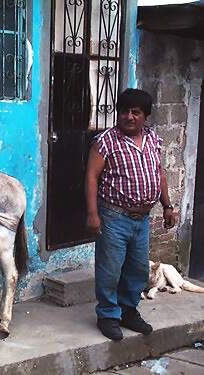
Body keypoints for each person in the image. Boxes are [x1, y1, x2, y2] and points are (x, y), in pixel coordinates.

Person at [85, 88, 177, 341]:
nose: (129, 117)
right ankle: (107, 315)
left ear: (145, 116)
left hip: (143, 219)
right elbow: (92, 178)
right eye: (124, 111)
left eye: (135, 112)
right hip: (114, 216)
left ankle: (128, 310)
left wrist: (167, 205)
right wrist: (93, 214)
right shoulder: (106, 142)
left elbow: (159, 173)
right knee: (110, 270)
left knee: (137, 270)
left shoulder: (152, 139)